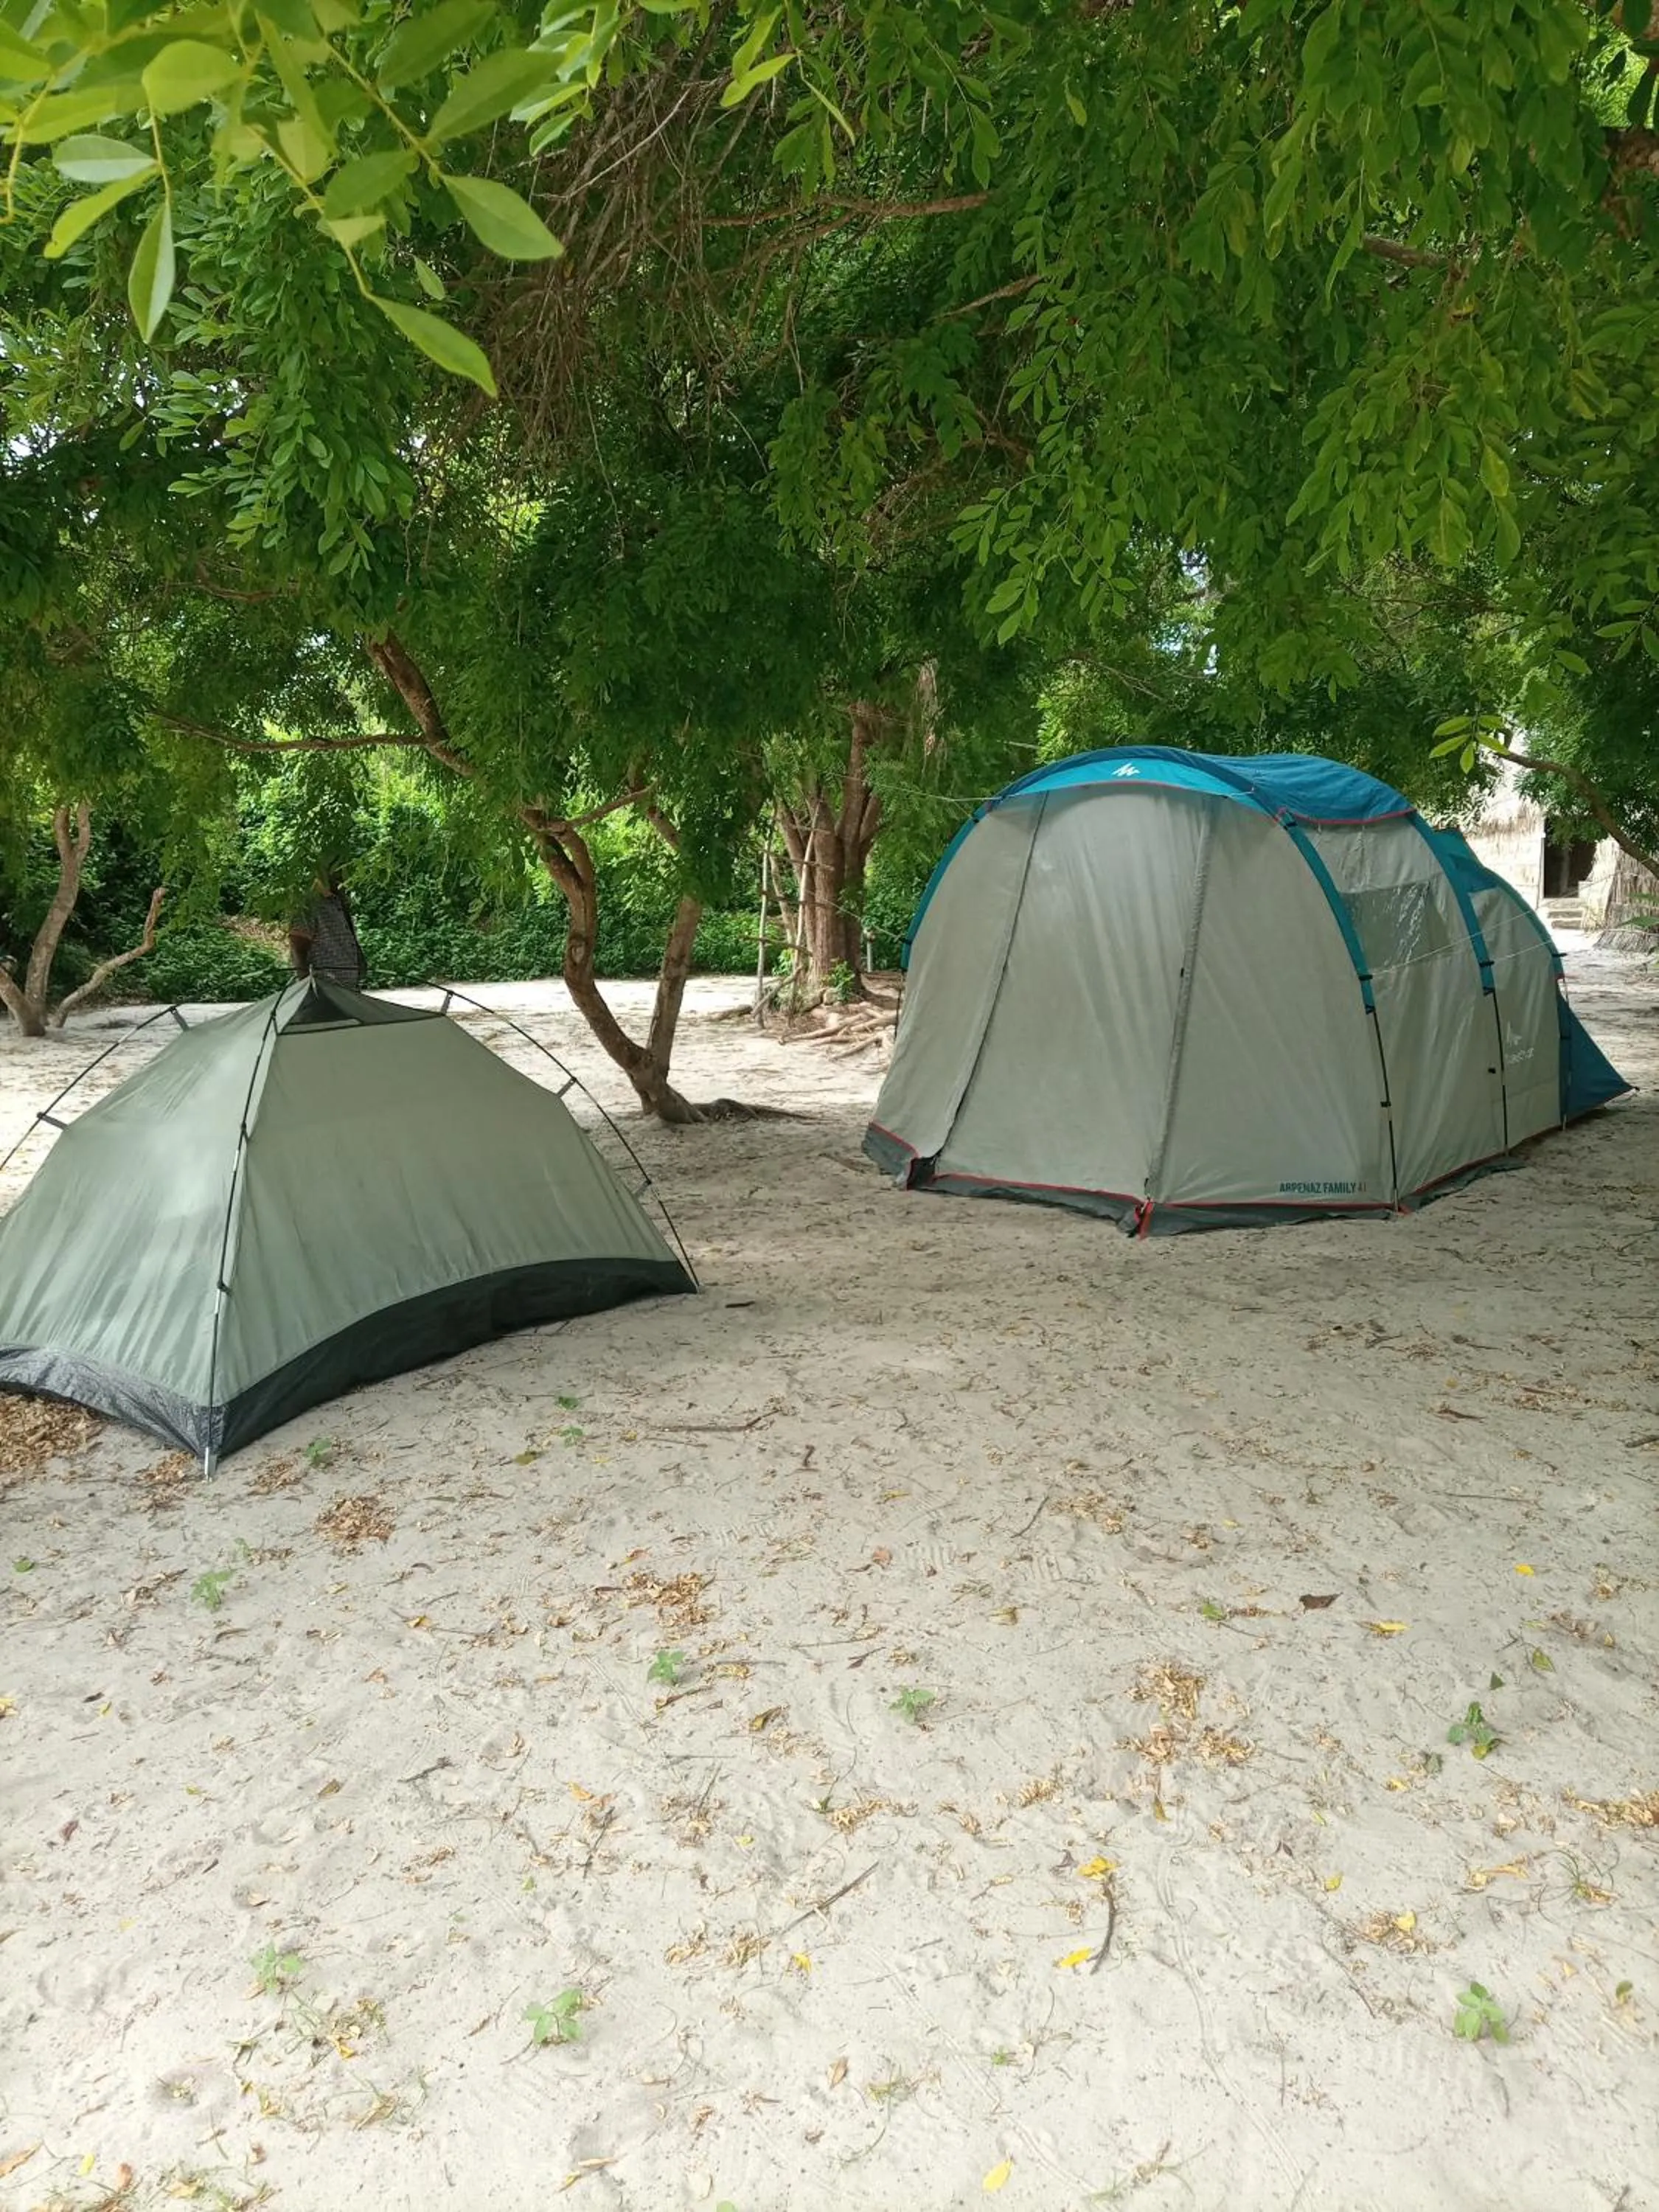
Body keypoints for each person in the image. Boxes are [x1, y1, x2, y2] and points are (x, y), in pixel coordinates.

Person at [288, 869, 366, 991]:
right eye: (338, 873)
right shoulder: (309, 906)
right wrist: (306, 985)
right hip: (324, 989)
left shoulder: (338, 902)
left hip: (348, 989)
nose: (343, 878)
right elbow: (298, 948)